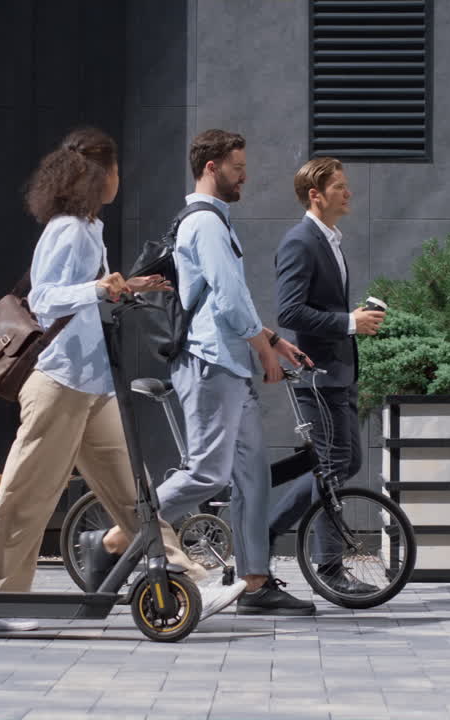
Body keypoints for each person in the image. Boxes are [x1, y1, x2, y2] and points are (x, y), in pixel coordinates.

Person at [0, 127, 240, 632]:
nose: (121, 179)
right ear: (99, 176)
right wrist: (98, 287)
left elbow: (86, 294)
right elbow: (47, 299)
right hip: (59, 383)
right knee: (27, 495)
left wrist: (124, 286)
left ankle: (187, 576)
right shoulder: (68, 230)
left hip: (93, 385)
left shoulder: (90, 228)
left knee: (132, 494)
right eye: (116, 171)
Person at [116, 128, 319, 615]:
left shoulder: (215, 222)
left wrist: (271, 340)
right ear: (211, 168)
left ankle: (255, 583)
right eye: (237, 167)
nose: (245, 175)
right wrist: (264, 352)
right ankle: (113, 538)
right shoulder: (205, 224)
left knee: (252, 477)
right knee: (207, 473)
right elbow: (227, 301)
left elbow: (228, 300)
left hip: (228, 361)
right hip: (210, 364)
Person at [269, 157, 385, 593]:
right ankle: (329, 567)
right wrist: (349, 322)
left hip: (339, 372)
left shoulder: (329, 240)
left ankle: (266, 531)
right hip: (317, 376)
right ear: (316, 195)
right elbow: (289, 311)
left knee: (345, 462)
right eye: (339, 186)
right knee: (332, 466)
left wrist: (353, 324)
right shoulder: (301, 242)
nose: (348, 192)